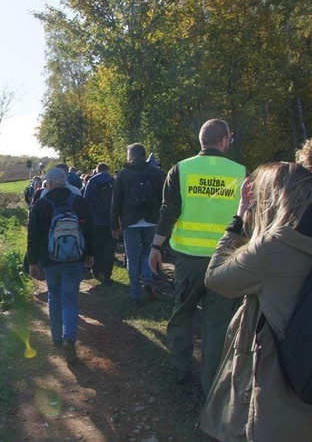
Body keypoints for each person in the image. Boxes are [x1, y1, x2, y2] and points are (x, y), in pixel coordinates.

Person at [200, 162, 312, 441]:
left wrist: (238, 221)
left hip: (285, 401)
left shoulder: (274, 246)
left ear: (270, 197)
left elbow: (217, 279)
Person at [148, 119, 246, 392]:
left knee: (182, 313)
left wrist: (156, 247)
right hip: (227, 261)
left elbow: (169, 211)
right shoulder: (241, 173)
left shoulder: (181, 169)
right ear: (224, 140)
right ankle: (211, 383)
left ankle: (180, 368)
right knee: (218, 324)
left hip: (189, 260)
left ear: (201, 141)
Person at [27, 167, 95, 364]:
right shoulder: (78, 201)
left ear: (48, 183)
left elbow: (33, 235)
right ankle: (69, 338)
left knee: (54, 296)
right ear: (66, 181)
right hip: (75, 259)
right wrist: (90, 254)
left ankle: (57, 337)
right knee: (70, 299)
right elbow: (89, 229)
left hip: (50, 260)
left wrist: (33, 262)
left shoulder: (41, 204)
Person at [111, 143, 166, 305]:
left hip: (130, 221)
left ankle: (135, 293)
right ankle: (148, 281)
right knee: (149, 253)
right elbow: (164, 199)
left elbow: (116, 202)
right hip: (151, 220)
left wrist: (114, 224)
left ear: (132, 155)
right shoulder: (157, 173)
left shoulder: (123, 174)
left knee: (133, 258)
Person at [83, 163, 116, 284]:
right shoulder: (113, 181)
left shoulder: (92, 181)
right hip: (111, 221)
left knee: (97, 247)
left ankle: (96, 271)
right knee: (109, 249)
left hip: (95, 221)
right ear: (108, 170)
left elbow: (86, 200)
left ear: (97, 170)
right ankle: (107, 275)